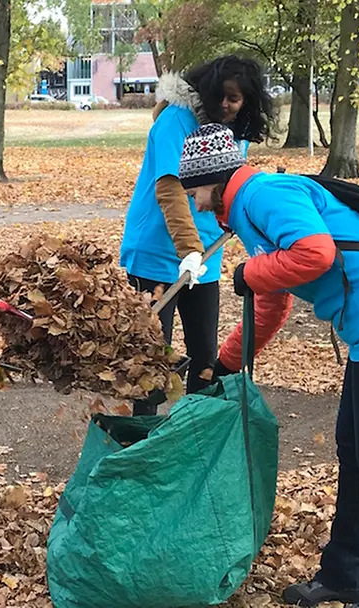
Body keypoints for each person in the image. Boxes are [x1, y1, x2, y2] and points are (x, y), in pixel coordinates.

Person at [178, 123, 359, 608]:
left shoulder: (265, 195)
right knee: (356, 449)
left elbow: (316, 254)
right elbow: (270, 303)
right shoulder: (247, 212)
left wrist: (249, 271)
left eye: (193, 189)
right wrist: (223, 364)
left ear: (215, 180)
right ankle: (346, 574)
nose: (194, 202)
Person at [119, 55, 277, 411]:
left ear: (246, 102)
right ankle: (142, 443)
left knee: (204, 354)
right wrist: (187, 250)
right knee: (152, 358)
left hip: (207, 256)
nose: (225, 105)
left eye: (234, 99)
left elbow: (229, 188)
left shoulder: (235, 130)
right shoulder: (176, 120)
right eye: (220, 96)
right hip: (157, 252)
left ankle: (192, 436)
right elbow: (170, 189)